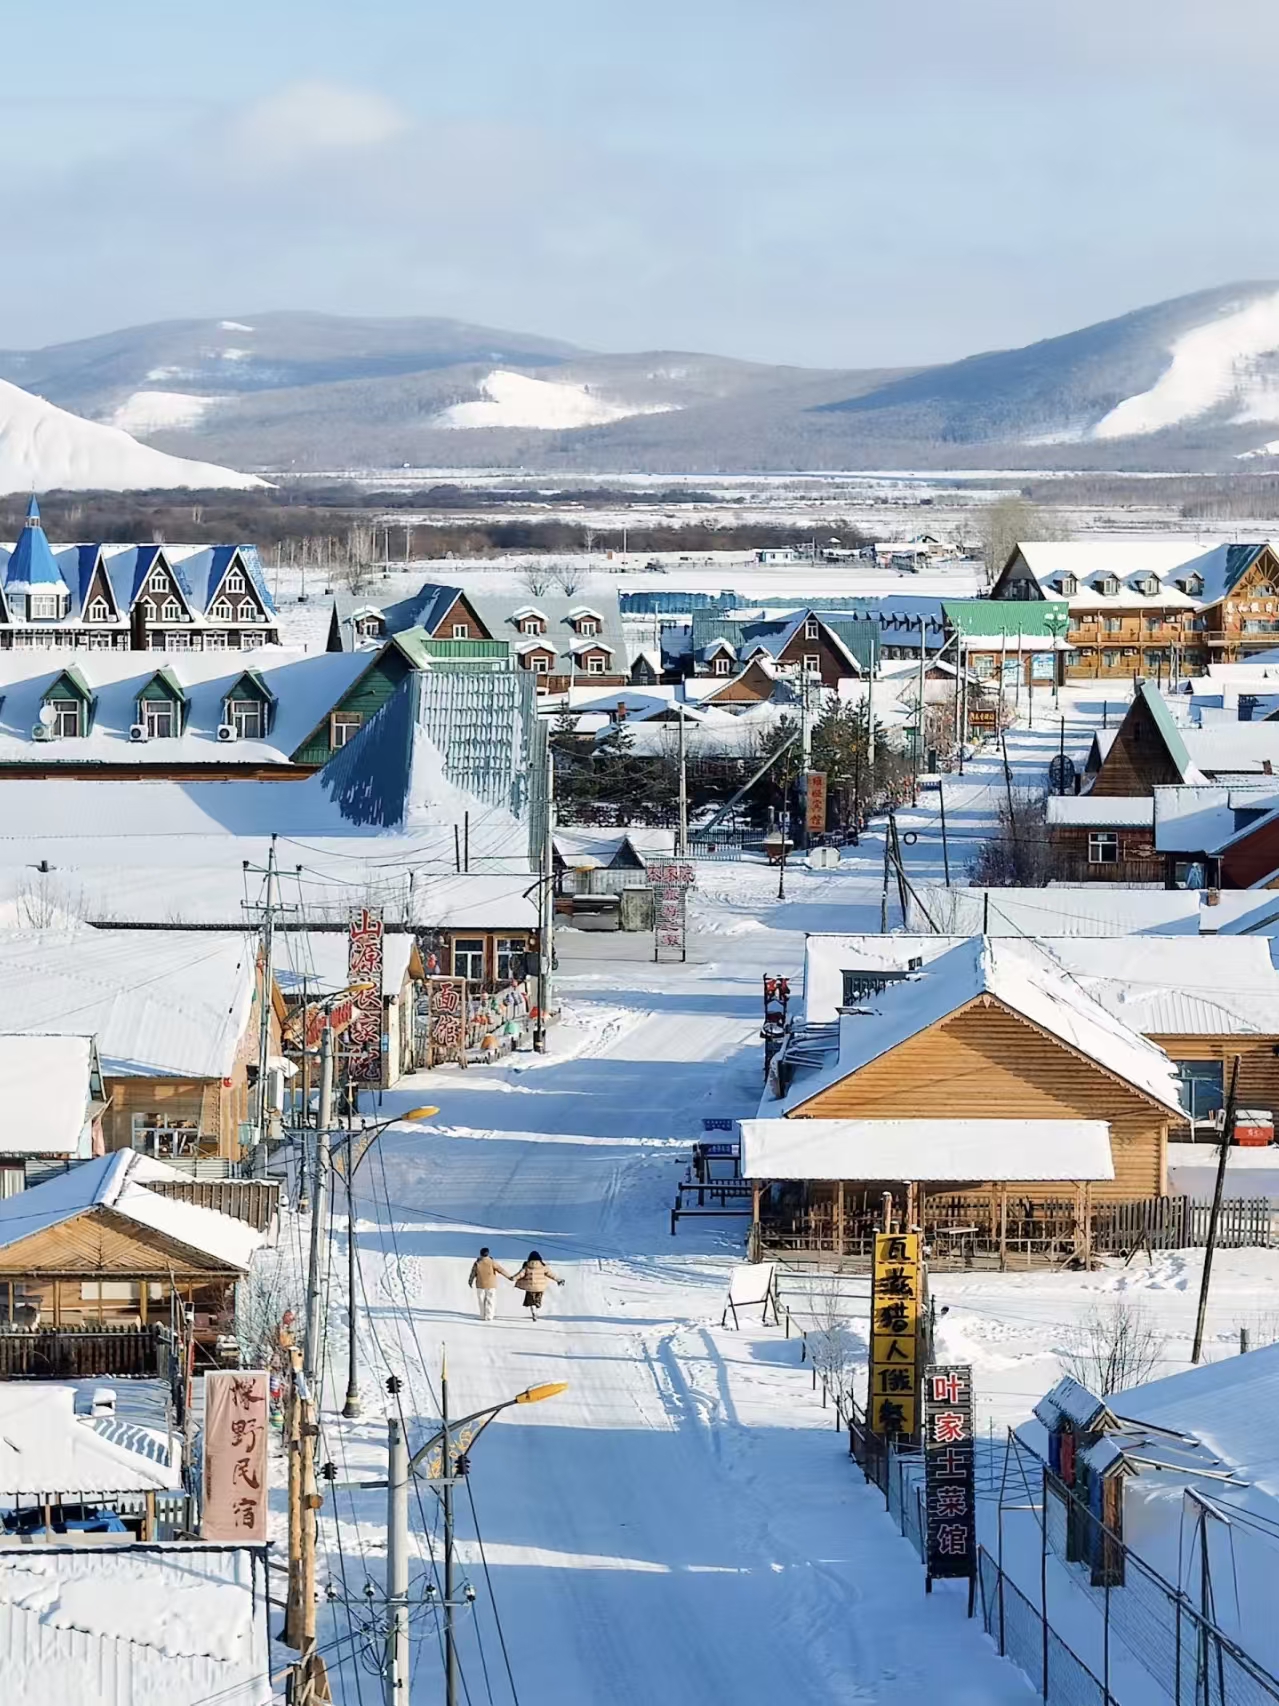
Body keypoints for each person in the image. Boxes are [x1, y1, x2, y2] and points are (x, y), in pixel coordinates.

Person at [512, 1250, 563, 1320]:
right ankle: (537, 1304)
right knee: (537, 1300)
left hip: (530, 1288)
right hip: (540, 1288)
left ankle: (533, 1311)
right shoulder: (543, 1266)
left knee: (531, 1301)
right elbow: (551, 1274)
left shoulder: (527, 1266)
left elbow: (520, 1274)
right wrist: (558, 1279)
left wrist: (513, 1278)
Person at [467, 1247, 512, 1322]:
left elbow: (473, 1273)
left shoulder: (477, 1262)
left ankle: (482, 1315)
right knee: (491, 1300)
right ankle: (489, 1316)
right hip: (491, 1284)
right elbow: (501, 1270)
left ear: (480, 1253)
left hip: (480, 1284)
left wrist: (470, 1281)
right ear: (488, 1253)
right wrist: (509, 1277)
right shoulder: (492, 1262)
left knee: (481, 1300)